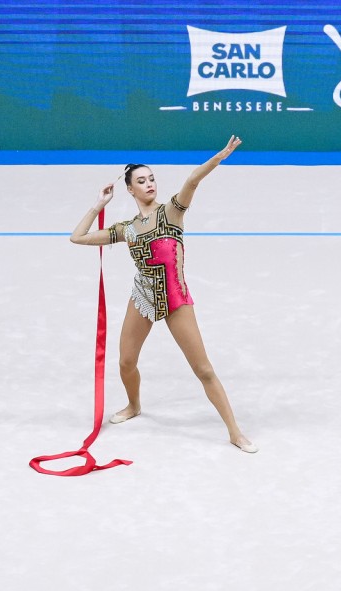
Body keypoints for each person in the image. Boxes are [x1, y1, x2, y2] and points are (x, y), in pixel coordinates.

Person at [69, 135, 256, 452]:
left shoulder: (171, 212)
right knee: (126, 362)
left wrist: (220, 156)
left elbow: (192, 180)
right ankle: (134, 405)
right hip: (143, 297)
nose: (149, 184)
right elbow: (78, 237)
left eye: (152, 178)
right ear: (130, 189)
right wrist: (98, 205)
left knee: (204, 369)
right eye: (141, 181)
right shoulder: (127, 229)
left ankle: (235, 432)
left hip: (175, 298)